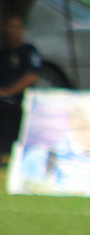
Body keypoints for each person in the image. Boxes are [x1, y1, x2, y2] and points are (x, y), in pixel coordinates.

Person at [0, 13, 42, 163]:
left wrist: (8, 91)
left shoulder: (28, 51)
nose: (12, 31)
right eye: (9, 27)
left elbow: (32, 75)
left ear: (22, 29)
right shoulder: (4, 53)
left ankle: (9, 155)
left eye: (16, 27)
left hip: (19, 99)